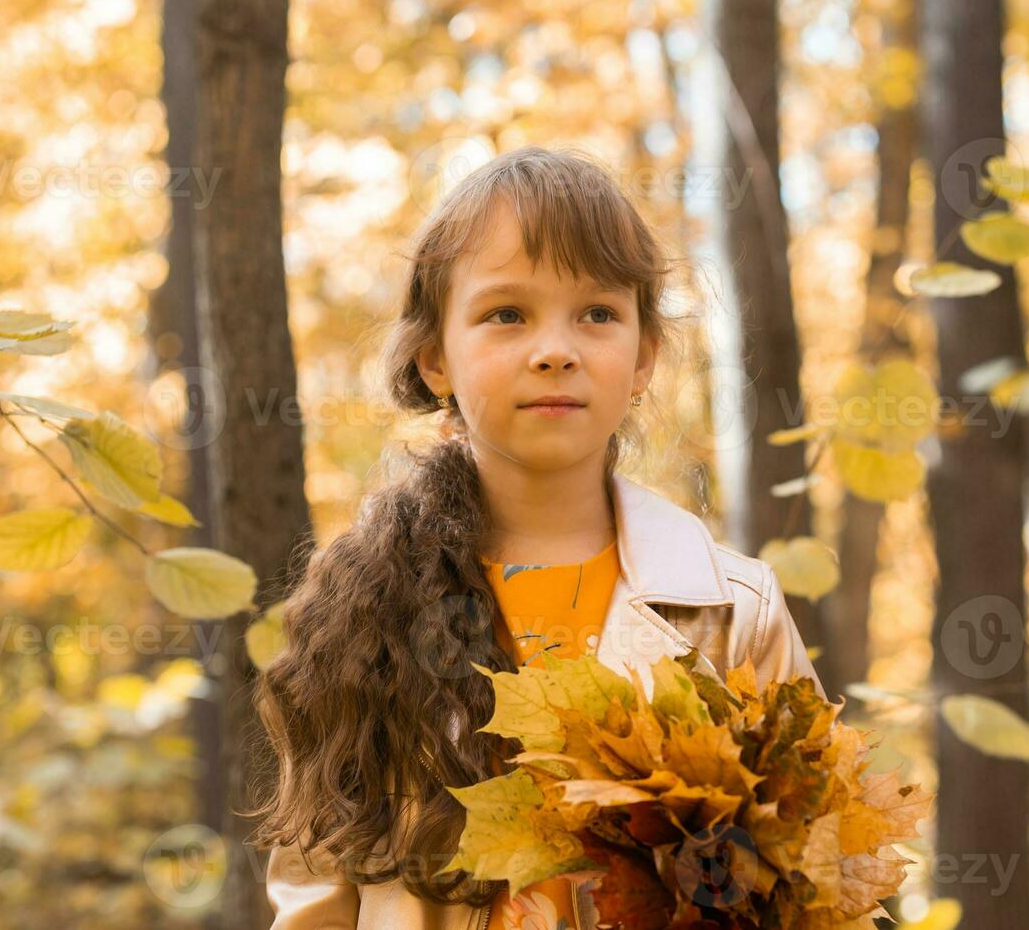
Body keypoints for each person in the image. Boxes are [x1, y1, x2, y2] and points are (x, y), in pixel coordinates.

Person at [251, 146, 825, 929]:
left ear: (644, 358)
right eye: (506, 315)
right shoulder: (359, 612)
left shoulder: (731, 610)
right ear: (435, 359)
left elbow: (817, 877)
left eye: (597, 313)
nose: (555, 350)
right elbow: (316, 897)